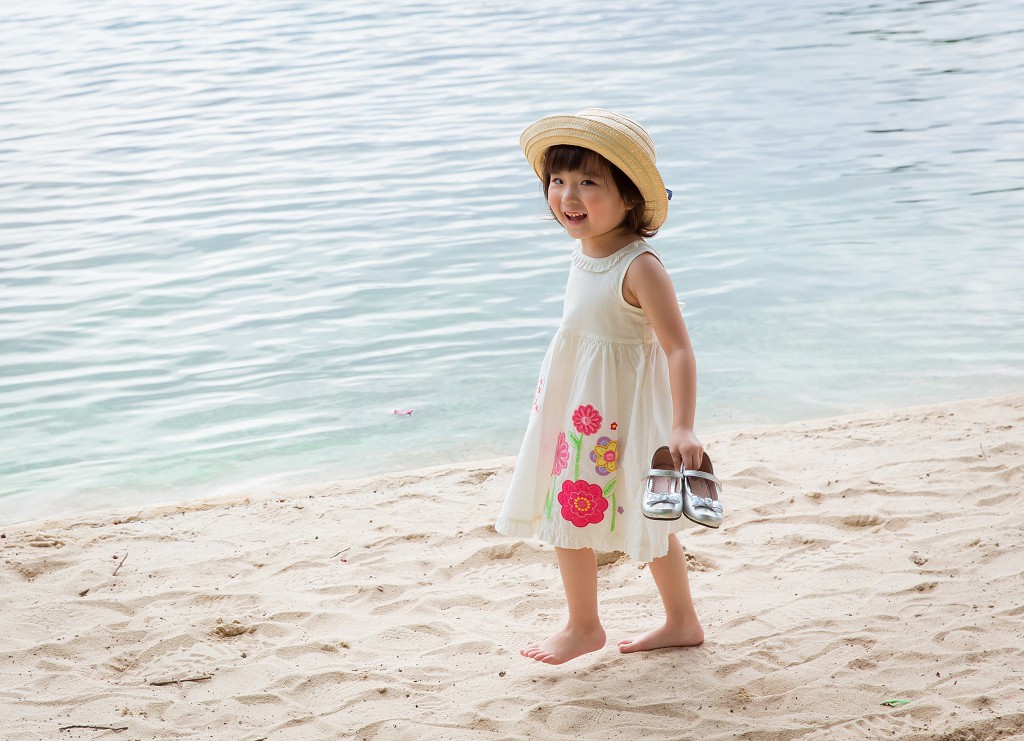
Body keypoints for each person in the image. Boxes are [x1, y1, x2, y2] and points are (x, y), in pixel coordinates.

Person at [495, 108, 721, 665]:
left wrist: (683, 426)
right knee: (567, 507)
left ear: (629, 198)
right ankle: (591, 624)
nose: (568, 196)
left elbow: (678, 348)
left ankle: (660, 622)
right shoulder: (584, 252)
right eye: (558, 180)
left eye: (588, 182)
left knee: (638, 514)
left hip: (624, 412)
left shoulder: (640, 267)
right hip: (578, 408)